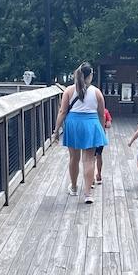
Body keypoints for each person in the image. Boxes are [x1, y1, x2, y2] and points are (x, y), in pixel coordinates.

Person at [52, 62, 108, 204]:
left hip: (74, 124)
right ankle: (88, 193)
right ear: (90, 76)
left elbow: (62, 111)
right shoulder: (97, 92)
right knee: (89, 159)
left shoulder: (69, 91)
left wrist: (56, 130)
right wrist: (101, 130)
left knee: (74, 158)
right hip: (91, 124)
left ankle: (75, 187)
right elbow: (102, 114)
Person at [94, 106, 113, 185]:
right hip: (101, 136)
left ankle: (91, 178)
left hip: (91, 136)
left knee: (90, 157)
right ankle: (99, 175)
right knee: (99, 155)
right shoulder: (105, 111)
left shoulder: (90, 111)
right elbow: (109, 125)